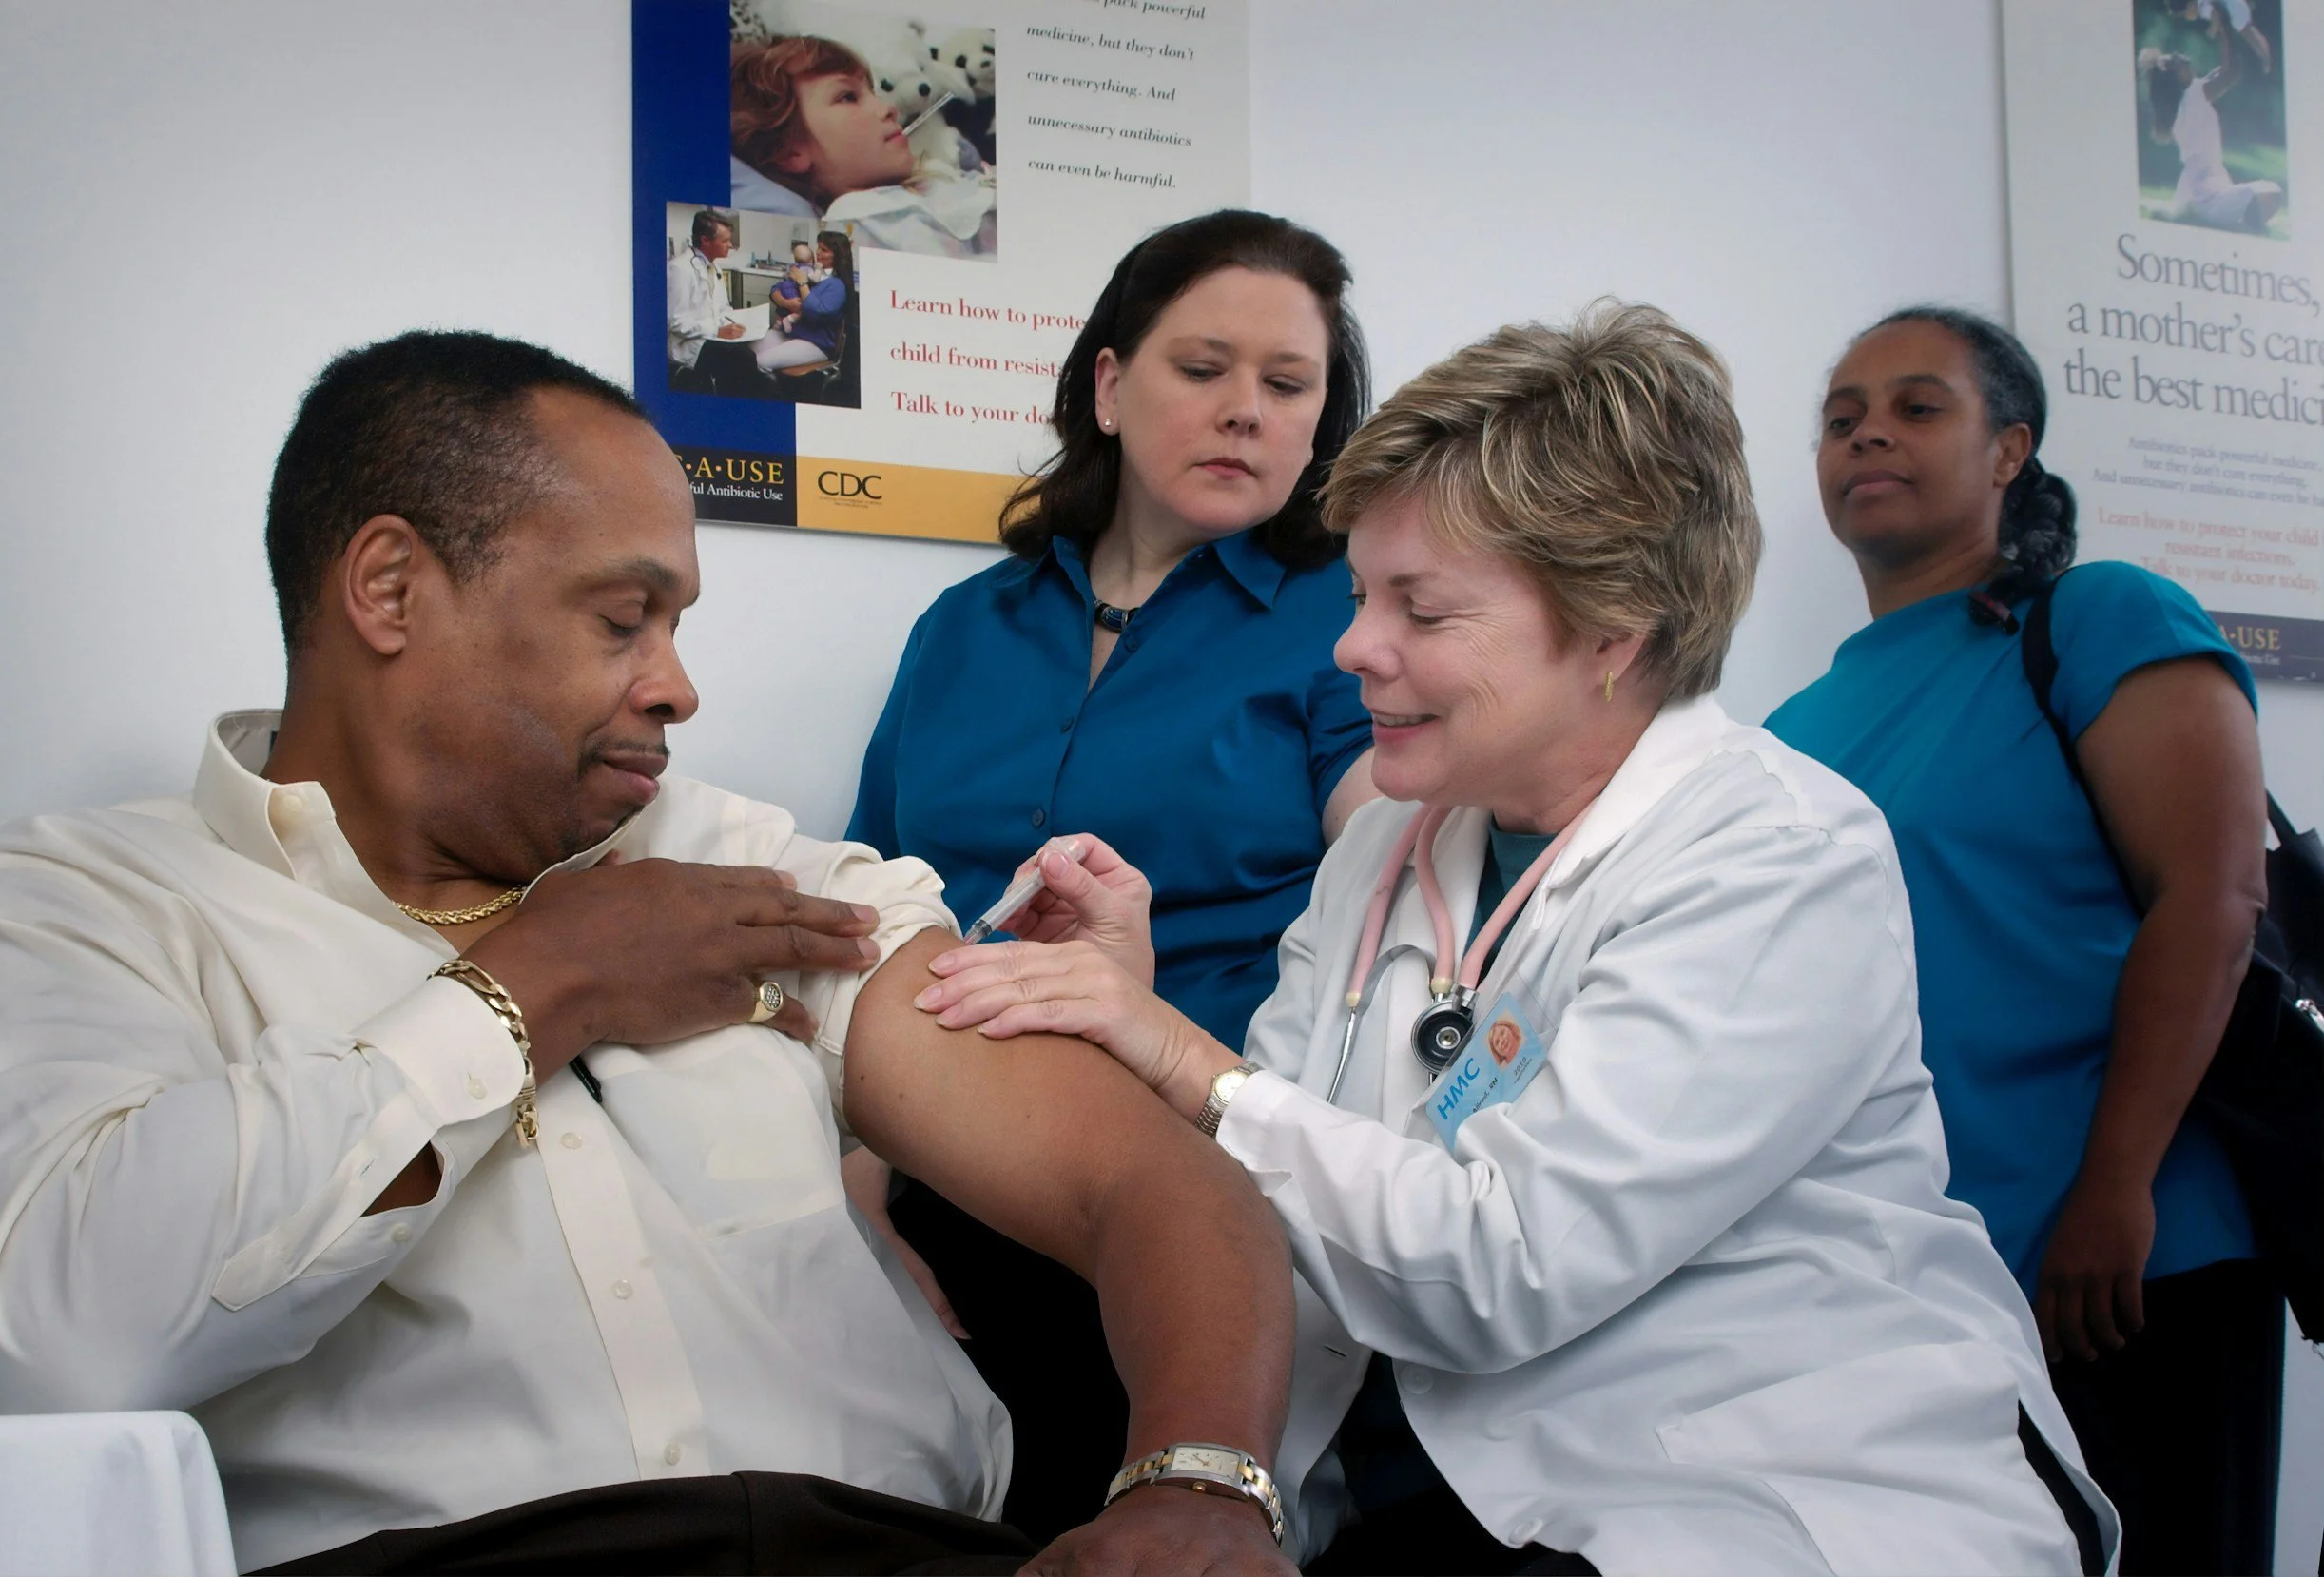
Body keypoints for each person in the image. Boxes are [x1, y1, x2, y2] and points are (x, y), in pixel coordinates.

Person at [0, 330, 1301, 1577]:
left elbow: (1150, 1183)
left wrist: (1198, 1478)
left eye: (679, 624)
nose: (677, 685)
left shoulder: (751, 870)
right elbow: (67, 1330)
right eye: (621, 619)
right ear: (390, 587)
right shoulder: (89, 906)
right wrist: (539, 983)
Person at [907, 302, 2120, 1575]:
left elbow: (1505, 1267)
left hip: (1753, 1494)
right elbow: (1275, 1198)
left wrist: (1170, 1051)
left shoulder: (1778, 850)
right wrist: (1131, 1015)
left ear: (1615, 631)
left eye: (1419, 611)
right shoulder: (1388, 851)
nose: (1353, 646)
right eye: (1364, 591)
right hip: (1416, 1495)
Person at [843, 209, 1378, 1542]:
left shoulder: (1358, 621)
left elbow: (1398, 886)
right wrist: (856, 1182)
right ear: (1108, 383)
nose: (1245, 411)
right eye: (1204, 367)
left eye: (1287, 384)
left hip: (1205, 1178)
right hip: (942, 1162)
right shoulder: (965, 627)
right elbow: (865, 915)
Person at [1768, 305, 2277, 1575]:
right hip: (1912, 1285)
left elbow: (2211, 901)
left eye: (1917, 405)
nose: (1867, 432)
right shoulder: (1790, 724)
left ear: (2012, 450)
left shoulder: (2098, 618)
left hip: (2125, 1262)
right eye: (1841, 419)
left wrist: (2115, 1187)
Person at [730, 35, 994, 260]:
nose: (888, 108)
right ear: (790, 150)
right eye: (848, 97)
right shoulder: (867, 218)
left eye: (873, 92)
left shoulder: (910, 189)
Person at [2141, 23, 2282, 234]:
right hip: (2206, 189)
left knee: (2268, 195)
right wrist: (2224, 24)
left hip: (2201, 186)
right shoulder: (2193, 96)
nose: (2180, 55)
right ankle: (2227, 222)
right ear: (2175, 77)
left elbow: (2229, 69)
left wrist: (2228, 30)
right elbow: (2232, 72)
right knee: (2274, 193)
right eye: (2175, 60)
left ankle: (2213, 218)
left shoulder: (2189, 99)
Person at [666, 208, 751, 394]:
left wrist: (734, 324)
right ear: (705, 240)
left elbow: (723, 308)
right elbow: (675, 321)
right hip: (688, 344)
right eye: (725, 241)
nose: (731, 245)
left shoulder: (714, 268)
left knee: (747, 351)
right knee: (743, 358)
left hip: (712, 336)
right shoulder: (679, 269)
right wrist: (717, 330)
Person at [754, 230, 852, 375]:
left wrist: (802, 283)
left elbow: (816, 312)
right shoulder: (811, 271)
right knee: (746, 351)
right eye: (818, 248)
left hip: (815, 343)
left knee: (760, 362)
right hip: (792, 333)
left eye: (824, 250)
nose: (818, 253)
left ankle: (770, 396)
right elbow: (777, 288)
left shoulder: (837, 285)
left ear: (837, 256)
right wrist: (786, 303)